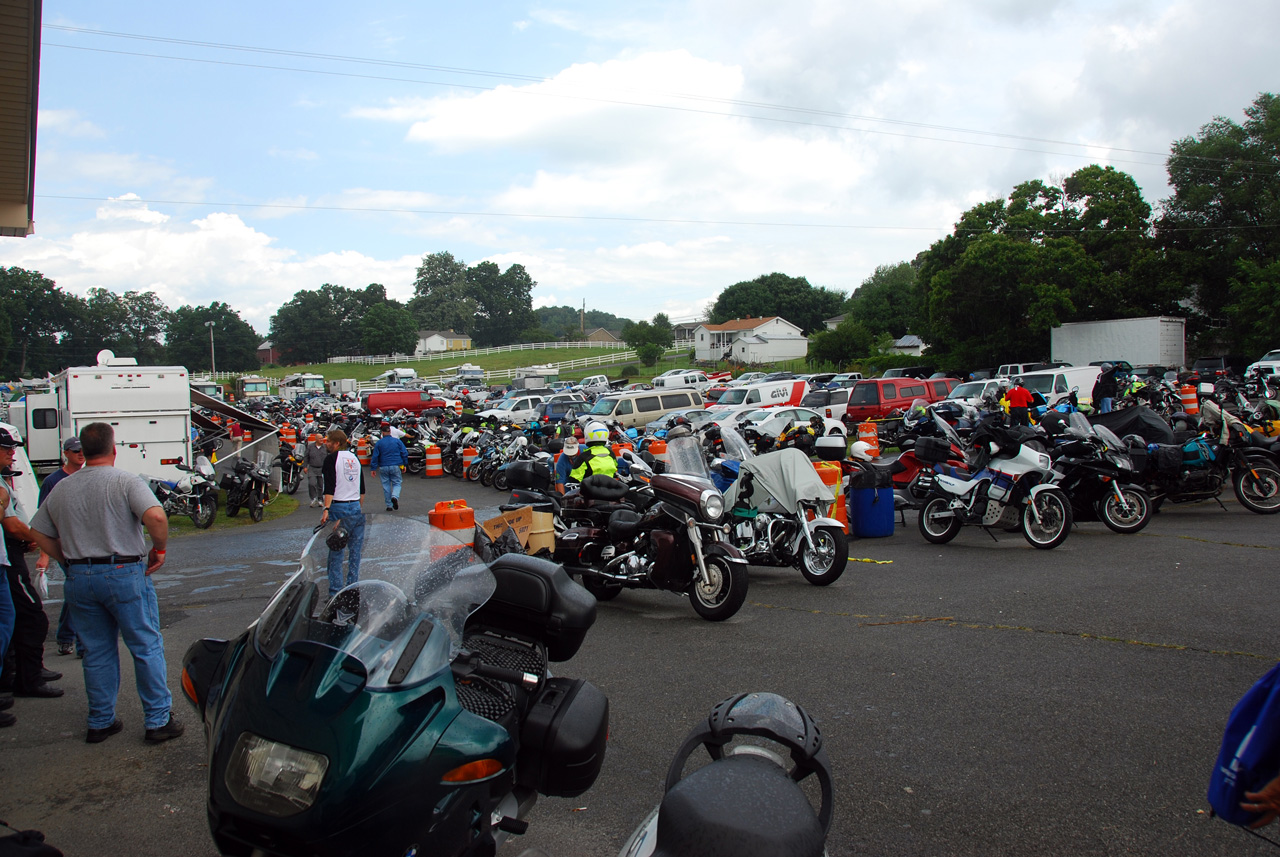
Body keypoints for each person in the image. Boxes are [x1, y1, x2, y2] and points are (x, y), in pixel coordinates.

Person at [28, 422, 184, 745]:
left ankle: (100, 720)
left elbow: (37, 531)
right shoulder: (125, 481)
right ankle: (157, 719)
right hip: (123, 571)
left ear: (81, 453)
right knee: (144, 644)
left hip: (80, 577)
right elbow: (155, 516)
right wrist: (159, 550)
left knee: (97, 651)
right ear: (114, 449)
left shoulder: (62, 488)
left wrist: (65, 558)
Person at [0, 427, 63, 700]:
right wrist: (38, 538)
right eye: (6, 450)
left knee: (17, 617)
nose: (13, 455)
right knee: (31, 615)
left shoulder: (4, 481)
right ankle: (27, 678)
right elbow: (12, 525)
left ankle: (25, 671)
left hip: (12, 552)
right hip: (9, 557)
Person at [37, 438, 87, 657]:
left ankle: (71, 637)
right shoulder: (53, 481)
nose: (80, 454)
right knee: (78, 588)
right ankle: (70, 638)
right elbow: (43, 520)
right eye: (75, 451)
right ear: (65, 453)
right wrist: (44, 555)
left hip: (87, 543)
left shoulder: (89, 477)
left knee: (79, 589)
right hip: (64, 544)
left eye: (83, 450)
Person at [319, 428, 366, 593]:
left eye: (329, 441)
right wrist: (358, 507)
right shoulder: (355, 458)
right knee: (355, 551)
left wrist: (326, 508)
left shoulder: (331, 459)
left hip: (339, 504)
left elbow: (330, 486)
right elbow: (361, 488)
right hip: (355, 505)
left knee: (336, 550)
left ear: (337, 443)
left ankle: (336, 591)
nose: (326, 444)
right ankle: (353, 586)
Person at [370, 425, 408, 511]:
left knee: (386, 485)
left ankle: (389, 505)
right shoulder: (397, 441)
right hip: (395, 465)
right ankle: (395, 496)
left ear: (382, 433)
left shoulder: (379, 443)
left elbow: (375, 456)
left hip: (383, 466)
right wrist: (404, 464)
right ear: (390, 432)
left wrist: (373, 468)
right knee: (397, 483)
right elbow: (404, 453)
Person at [304, 433, 328, 508]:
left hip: (322, 468)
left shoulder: (325, 447)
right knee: (312, 483)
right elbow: (306, 457)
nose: (322, 440)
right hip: (312, 468)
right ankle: (313, 498)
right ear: (316, 439)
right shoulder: (310, 447)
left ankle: (320, 499)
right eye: (320, 439)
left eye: (322, 438)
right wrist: (305, 466)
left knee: (321, 485)